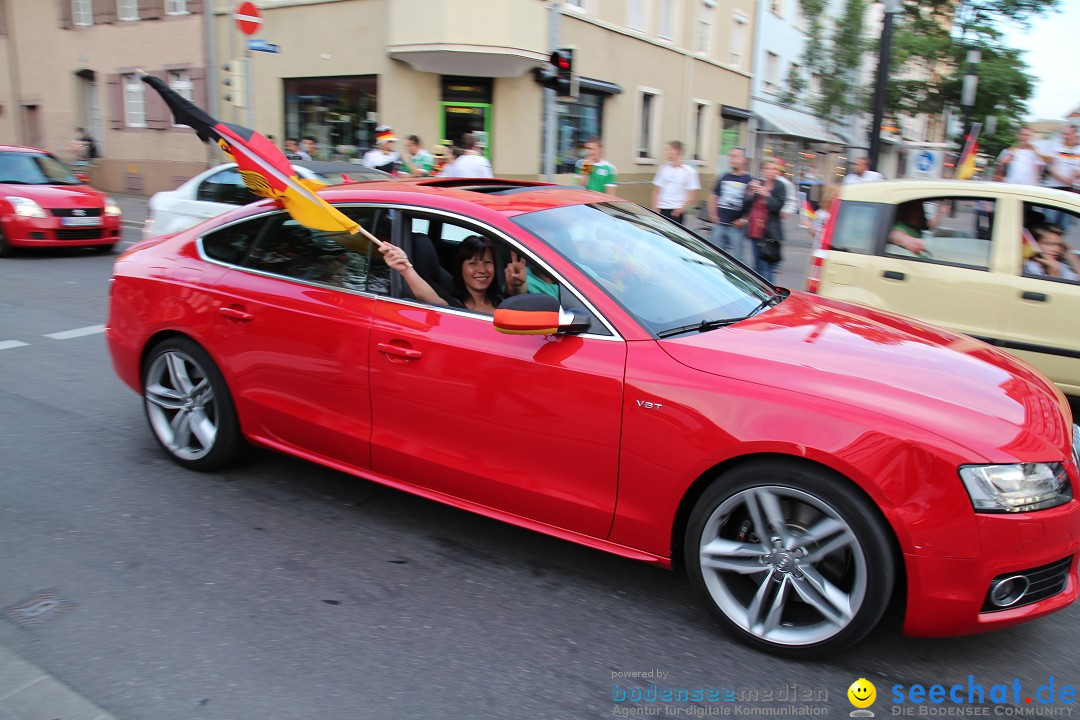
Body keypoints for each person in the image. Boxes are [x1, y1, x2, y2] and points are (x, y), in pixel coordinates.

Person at [380, 235, 526, 314]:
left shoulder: (500, 301)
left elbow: (518, 301)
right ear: (460, 268)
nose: (482, 270)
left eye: (488, 262)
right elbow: (428, 297)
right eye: (472, 263)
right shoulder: (454, 307)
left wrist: (518, 284)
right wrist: (406, 269)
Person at [741, 158, 786, 282]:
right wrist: (750, 192)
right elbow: (747, 205)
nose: (771, 171)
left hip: (769, 232)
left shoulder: (780, 186)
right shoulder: (759, 183)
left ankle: (770, 292)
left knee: (767, 265)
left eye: (774, 169)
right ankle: (762, 291)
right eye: (768, 168)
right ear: (763, 170)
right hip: (755, 229)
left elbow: (777, 207)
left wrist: (767, 195)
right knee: (758, 265)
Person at [707, 147, 753, 261]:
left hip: (736, 227)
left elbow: (753, 203)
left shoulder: (749, 179)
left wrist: (744, 219)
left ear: (743, 160)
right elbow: (713, 196)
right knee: (716, 257)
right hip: (720, 224)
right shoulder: (724, 177)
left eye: (736, 157)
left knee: (738, 259)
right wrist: (712, 215)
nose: (732, 159)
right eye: (731, 156)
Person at [651, 140, 700, 225]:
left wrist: (681, 209)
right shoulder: (663, 169)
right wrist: (655, 209)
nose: (666, 152)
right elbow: (656, 191)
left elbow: (692, 196)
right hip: (662, 209)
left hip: (676, 210)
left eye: (669, 150)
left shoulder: (689, 171)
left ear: (677, 151)